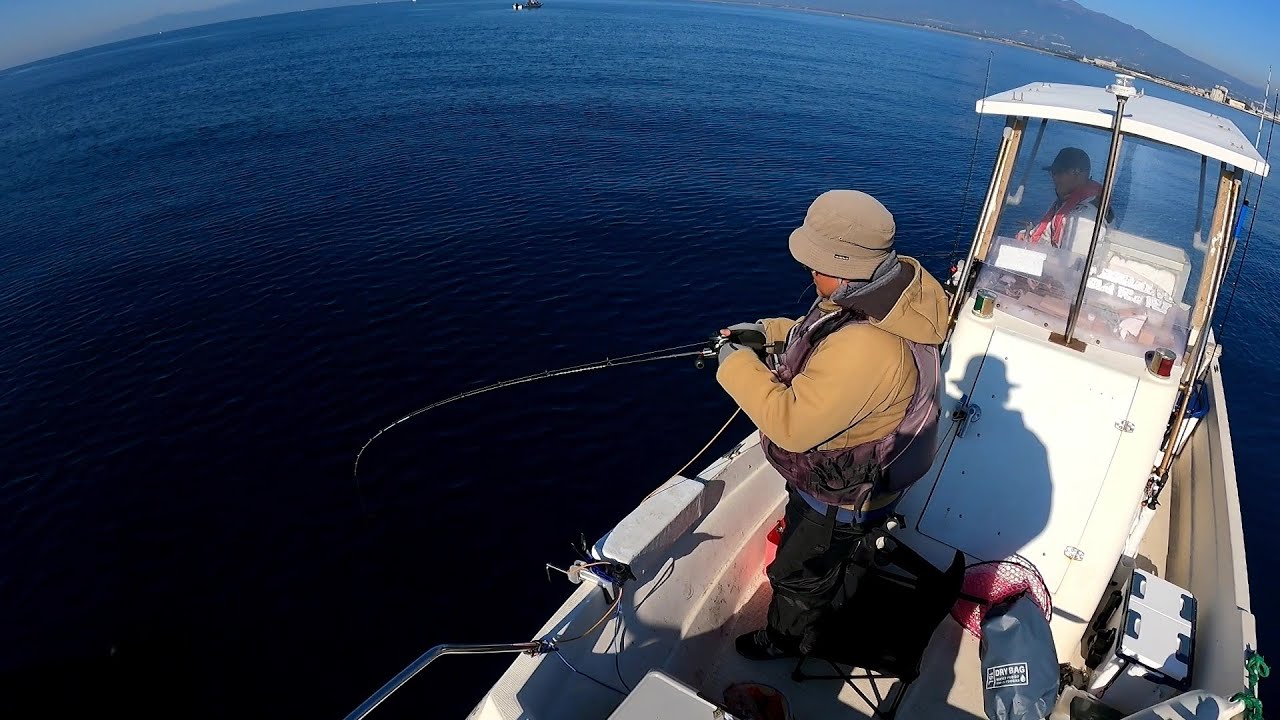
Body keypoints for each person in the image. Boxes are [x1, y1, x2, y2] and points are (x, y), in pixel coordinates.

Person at [714, 189, 948, 661]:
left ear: (842, 267)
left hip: (838, 498)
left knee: (798, 574)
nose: (809, 271)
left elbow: (791, 424)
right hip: (858, 489)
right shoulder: (889, 289)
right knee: (833, 556)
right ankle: (844, 571)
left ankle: (783, 639)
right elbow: (820, 330)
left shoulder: (868, 347)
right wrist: (768, 333)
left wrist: (733, 362)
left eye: (815, 262)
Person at [1017, 147, 1110, 248]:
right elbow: (1048, 234)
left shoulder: (1085, 217)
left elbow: (1073, 261)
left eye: (1059, 172)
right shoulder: (1067, 203)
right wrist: (1027, 236)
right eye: (1053, 172)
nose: (1054, 177)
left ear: (1078, 173)